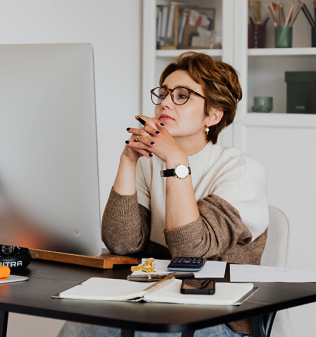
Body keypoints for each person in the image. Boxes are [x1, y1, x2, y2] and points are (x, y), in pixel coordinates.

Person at [58, 52, 268, 337]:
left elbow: (190, 252)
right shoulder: (150, 163)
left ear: (213, 114)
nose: (165, 103)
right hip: (151, 300)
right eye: (164, 93)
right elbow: (122, 243)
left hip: (219, 315)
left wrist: (177, 162)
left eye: (182, 95)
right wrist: (128, 160)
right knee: (81, 324)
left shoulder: (242, 170)